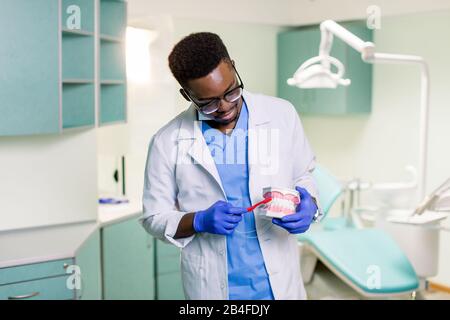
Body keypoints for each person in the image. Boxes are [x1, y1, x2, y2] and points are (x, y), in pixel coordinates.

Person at [141, 32, 322, 300]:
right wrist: (198, 220)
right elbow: (153, 218)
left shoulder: (280, 114)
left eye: (230, 91)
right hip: (214, 288)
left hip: (279, 285)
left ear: (234, 68)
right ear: (187, 94)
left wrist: (310, 205)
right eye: (209, 102)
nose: (225, 107)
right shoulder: (167, 141)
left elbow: (302, 175)